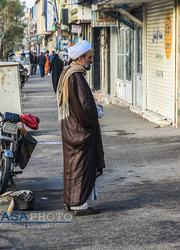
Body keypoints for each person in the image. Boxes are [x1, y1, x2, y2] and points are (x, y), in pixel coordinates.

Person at [57, 40, 105, 216]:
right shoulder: (76, 76)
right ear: (79, 58)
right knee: (80, 168)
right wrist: (96, 113)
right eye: (89, 57)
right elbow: (85, 107)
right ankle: (78, 204)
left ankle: (73, 202)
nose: (91, 60)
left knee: (74, 167)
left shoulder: (70, 73)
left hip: (72, 130)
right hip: (79, 131)